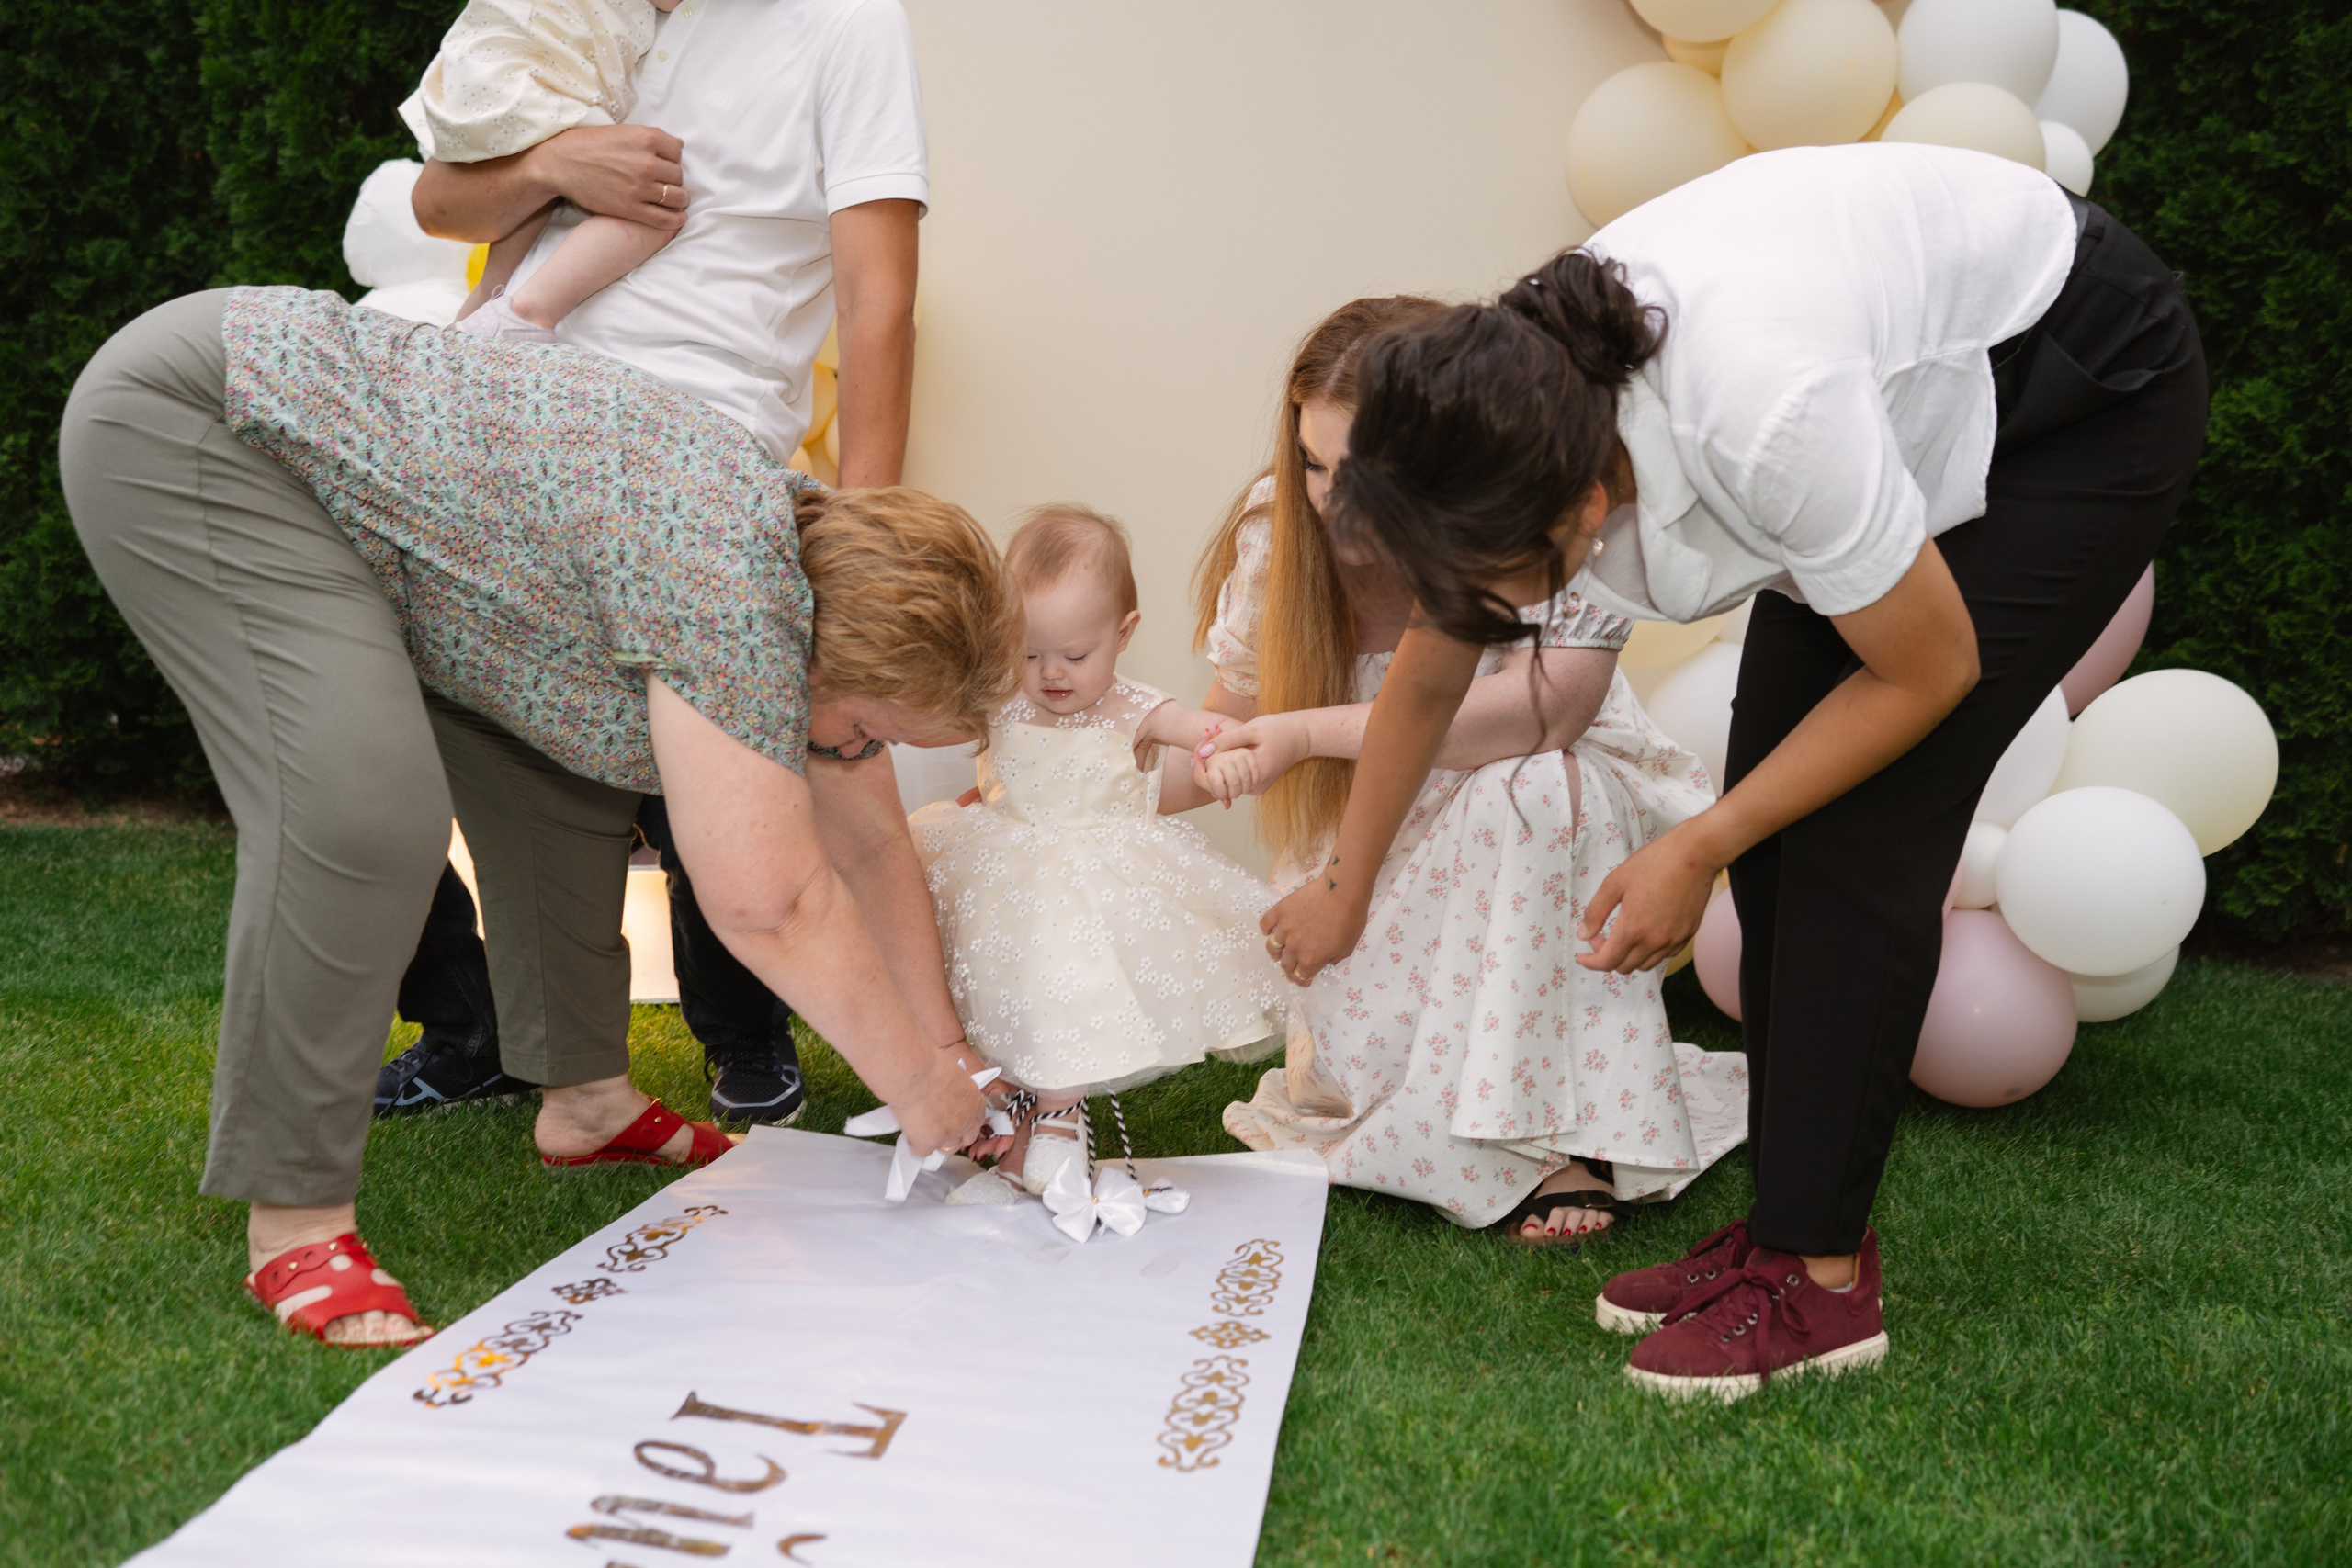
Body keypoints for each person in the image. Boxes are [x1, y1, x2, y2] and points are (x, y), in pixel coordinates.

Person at [1261, 144, 2207, 1396]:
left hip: (2081, 384)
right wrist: (1350, 878)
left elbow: (1928, 672)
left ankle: (1817, 1280)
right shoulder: (1489, 414)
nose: (1476, 610)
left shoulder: (1761, 414)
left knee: (1865, 821)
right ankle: (1783, 1231)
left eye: (1503, 583)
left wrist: (1694, 843)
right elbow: (1440, 658)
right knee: (1778, 797)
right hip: (1892, 387)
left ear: (1585, 515)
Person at [60, 286, 1014, 1347]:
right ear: (829, 657)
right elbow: (772, 900)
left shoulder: (797, 573)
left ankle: (588, 1104)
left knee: (561, 781)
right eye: (865, 733)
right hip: (207, 425)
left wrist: (949, 1050)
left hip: (380, 535)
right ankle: (296, 1218)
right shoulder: (733, 590)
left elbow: (872, 843)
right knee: (365, 810)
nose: (857, 758)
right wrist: (924, 1091)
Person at [381, 0, 930, 1126]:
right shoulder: (576, 11)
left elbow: (881, 302)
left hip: (696, 443)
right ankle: (469, 1024)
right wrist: (554, 160)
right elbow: (439, 200)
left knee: (744, 773)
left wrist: (861, 547)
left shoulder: (849, 22)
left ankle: (777, 1039)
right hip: (509, 411)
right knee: (367, 731)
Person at [1187, 298, 1747, 1244]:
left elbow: (1548, 711)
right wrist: (1072, 775)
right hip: (1367, 861)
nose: (1330, 499)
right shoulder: (1281, 536)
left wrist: (1306, 732)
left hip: (1543, 839)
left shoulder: (1549, 504)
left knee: (1531, 788)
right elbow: (1226, 731)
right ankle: (1477, 1119)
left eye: (1357, 472)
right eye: (1312, 466)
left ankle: (1550, 1141)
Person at [906, 507, 1285, 1196]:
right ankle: (1016, 1110)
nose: (1051, 673)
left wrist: (1221, 753)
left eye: (1076, 655)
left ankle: (1060, 1115)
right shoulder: (1001, 697)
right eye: (1029, 651)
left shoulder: (1131, 708)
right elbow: (929, 717)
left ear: (1123, 633)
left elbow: (1207, 726)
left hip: (1094, 888)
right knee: (1009, 997)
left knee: (1074, 992)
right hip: (1004, 878)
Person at [399, 0, 691, 344]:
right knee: (648, 205)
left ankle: (477, 315)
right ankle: (529, 312)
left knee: (540, 192)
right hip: (536, 72)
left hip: (495, 65)